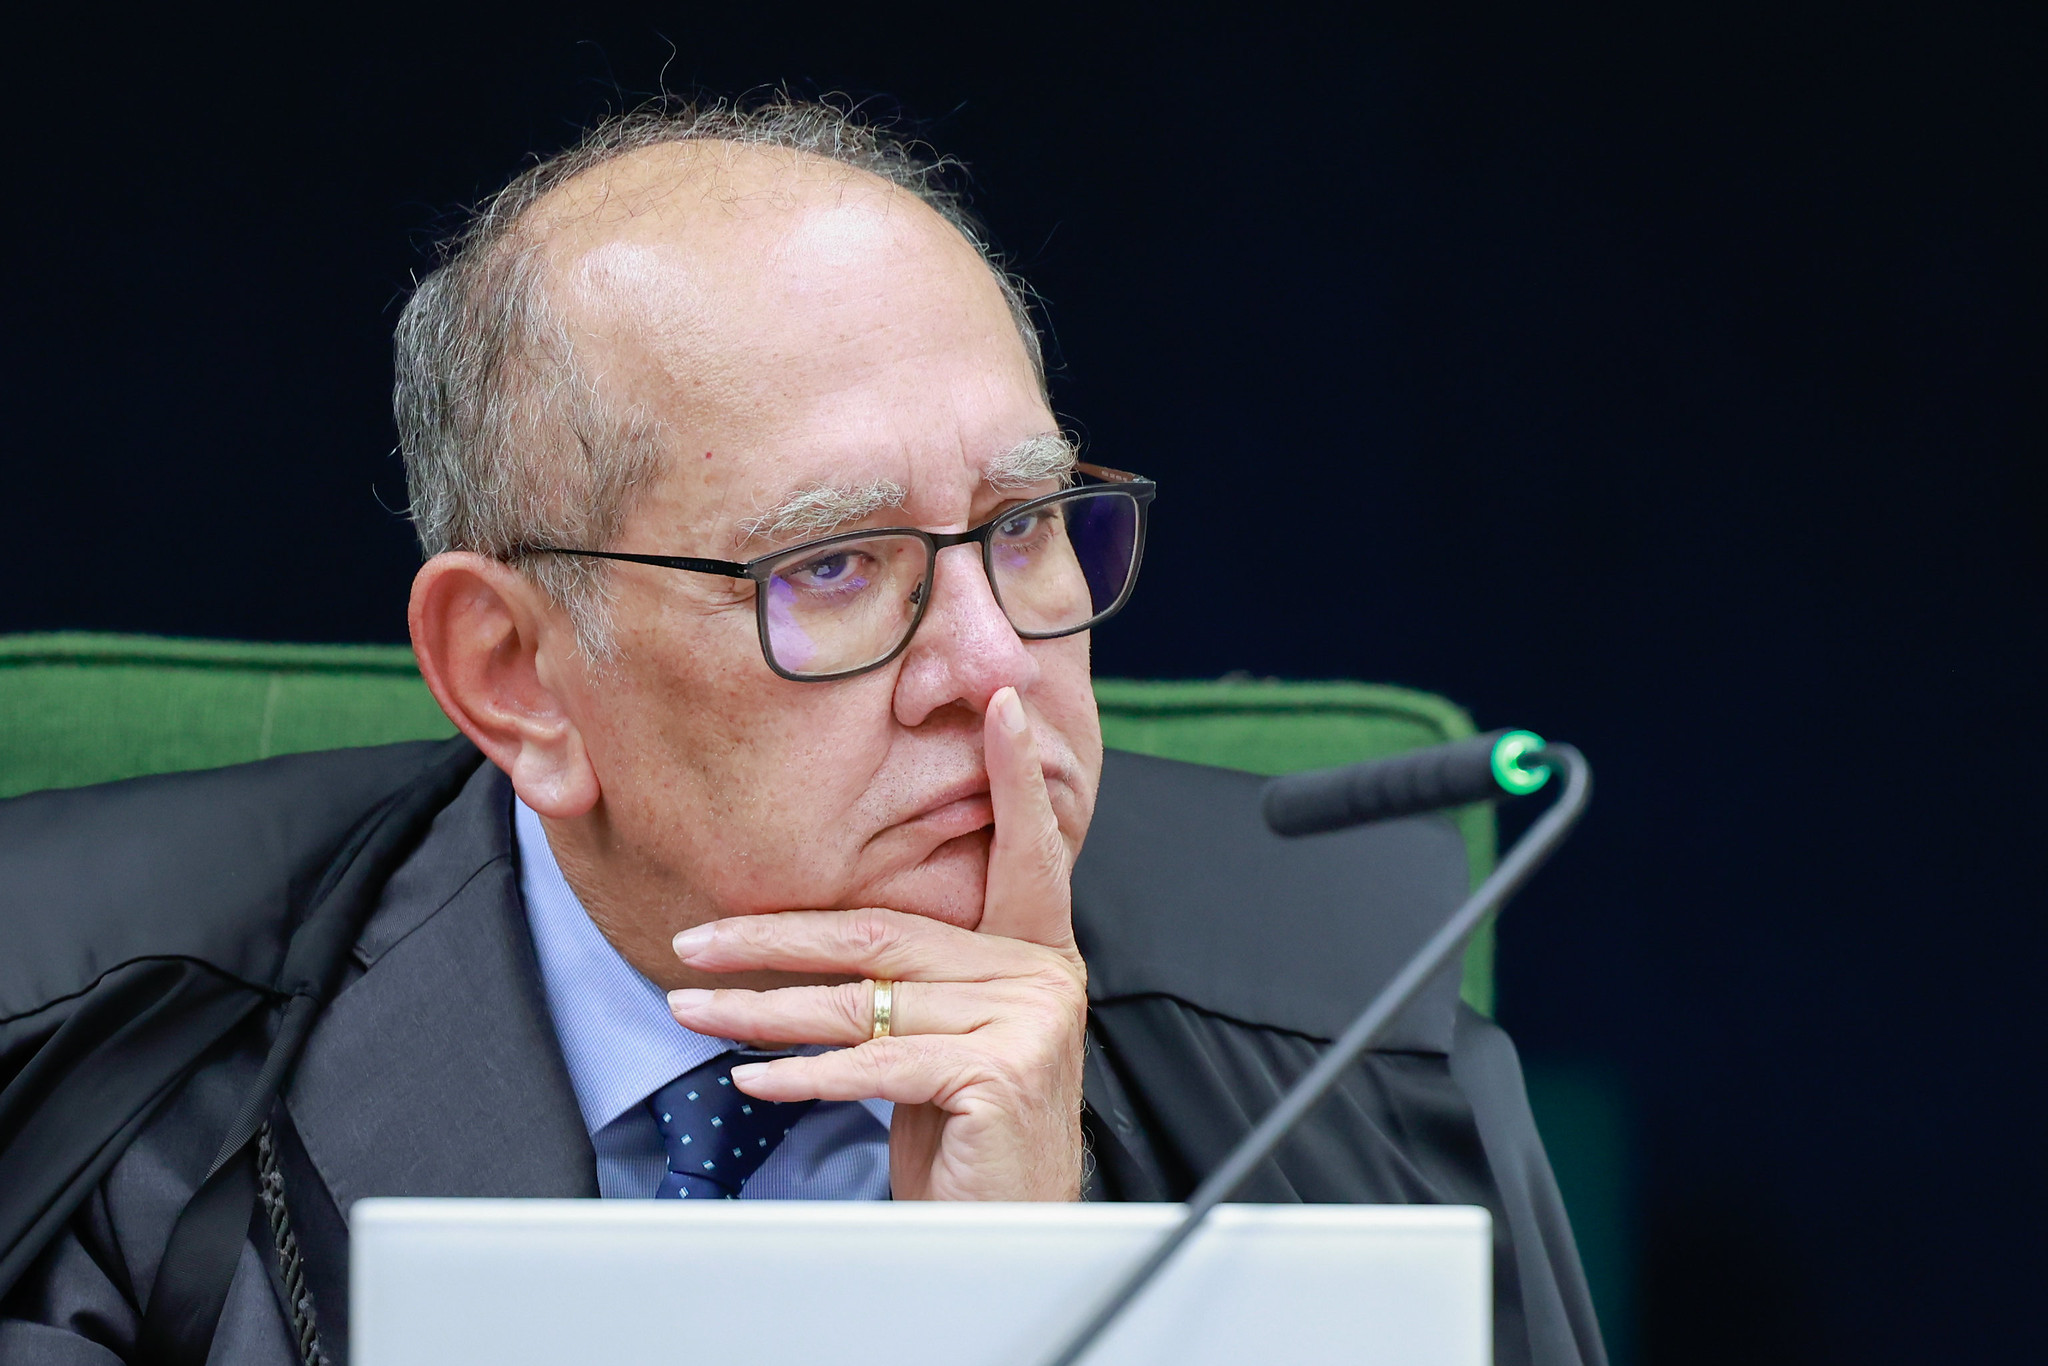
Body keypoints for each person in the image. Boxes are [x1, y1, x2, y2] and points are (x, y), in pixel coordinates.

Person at [0, 100, 1604, 1365]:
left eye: (1024, 524)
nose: (993, 669)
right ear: (518, 674)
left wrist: (1038, 1303)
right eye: (831, 565)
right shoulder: (92, 1080)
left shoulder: (1358, 1042)